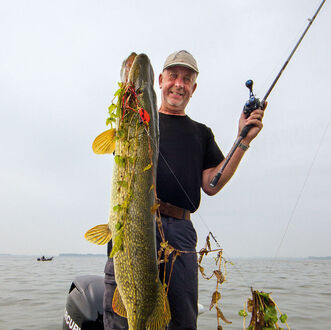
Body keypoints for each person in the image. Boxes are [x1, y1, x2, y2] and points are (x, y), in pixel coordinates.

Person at [103, 50, 264, 329]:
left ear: (194, 88)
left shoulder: (201, 133)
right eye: (174, 76)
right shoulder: (139, 119)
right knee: (122, 314)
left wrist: (243, 140)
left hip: (179, 231)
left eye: (187, 79)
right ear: (161, 80)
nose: (179, 83)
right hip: (133, 224)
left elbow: (212, 184)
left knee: (181, 318)